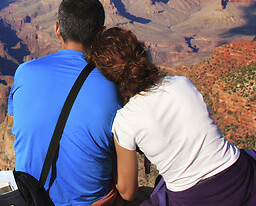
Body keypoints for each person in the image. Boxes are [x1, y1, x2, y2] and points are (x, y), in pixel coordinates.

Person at [86, 27, 256, 205]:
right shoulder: (181, 83)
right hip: (242, 175)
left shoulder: (125, 121)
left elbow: (128, 192)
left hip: (192, 197)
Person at [8, 0, 123, 206]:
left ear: (57, 29)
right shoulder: (113, 86)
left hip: (31, 199)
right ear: (101, 34)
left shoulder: (25, 71)